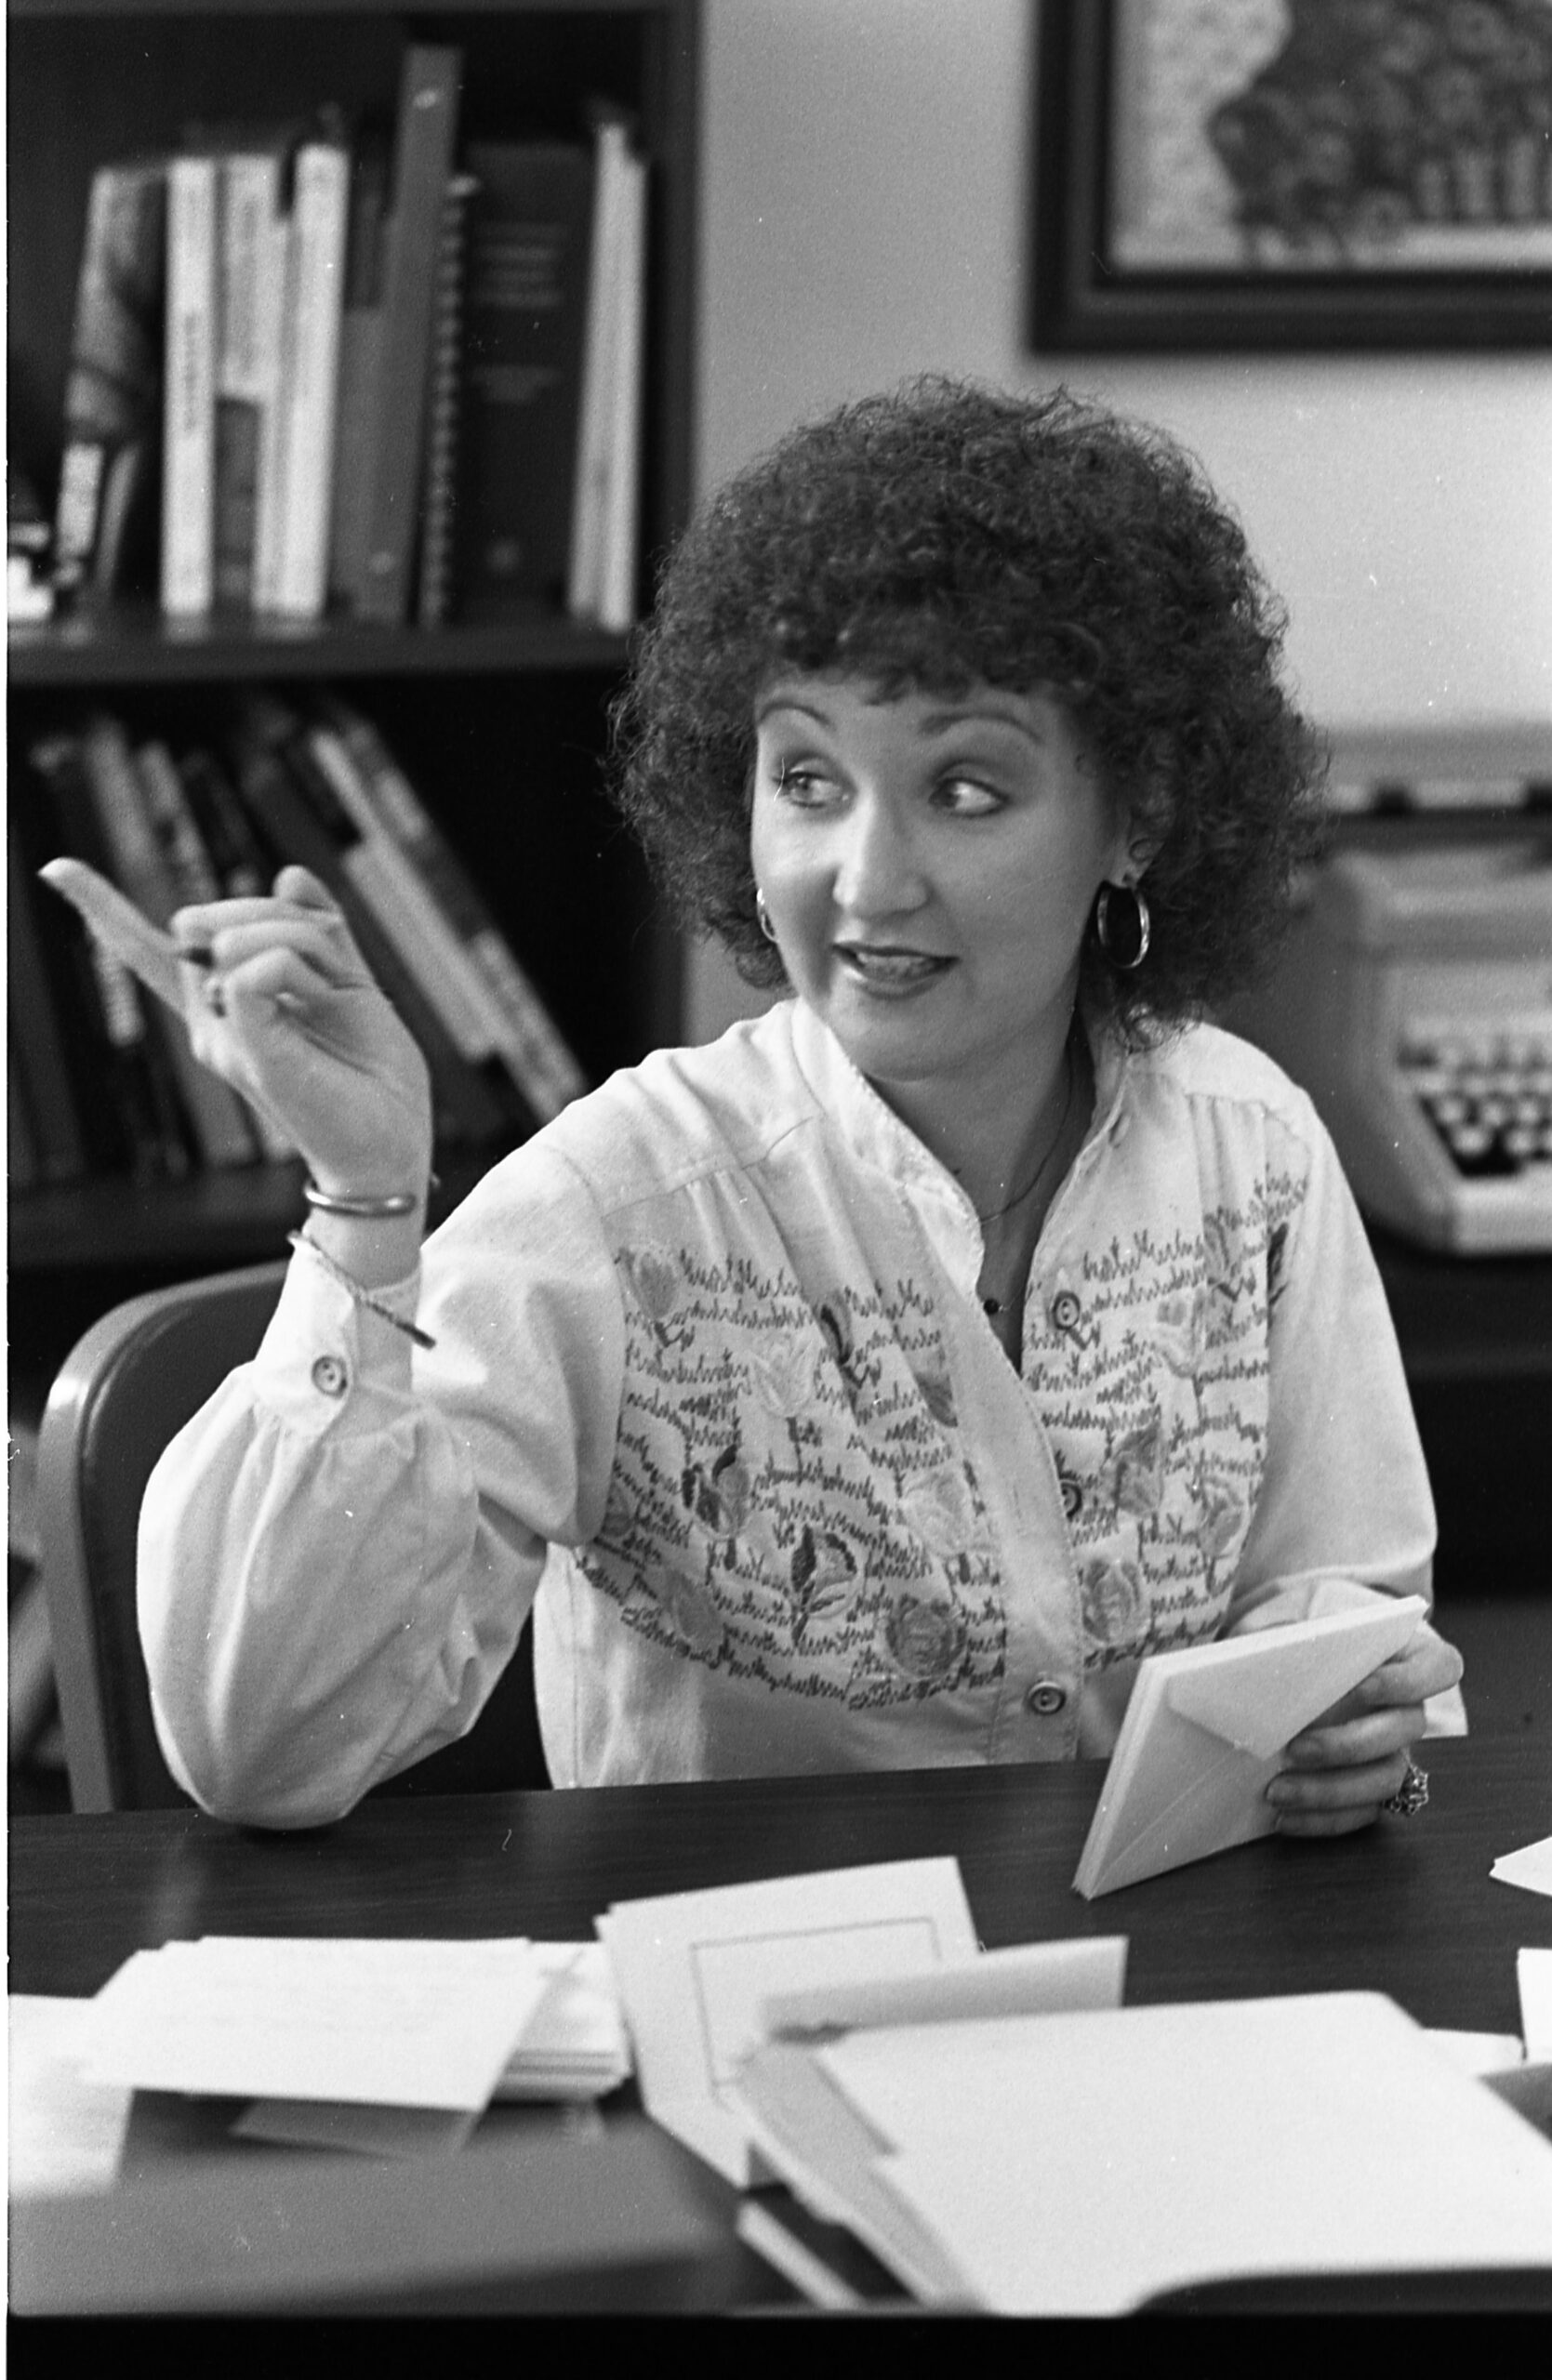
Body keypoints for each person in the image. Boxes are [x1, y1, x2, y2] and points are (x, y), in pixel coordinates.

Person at [136, 377, 1463, 1829]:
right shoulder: (615, 1208)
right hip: (731, 2006)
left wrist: (1344, 1709)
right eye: (808, 778)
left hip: (1153, 1992)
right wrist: (367, 1205)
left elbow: (1342, 1590)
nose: (867, 879)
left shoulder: (1249, 1150)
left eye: (965, 790)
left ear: (1135, 816)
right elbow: (261, 1752)